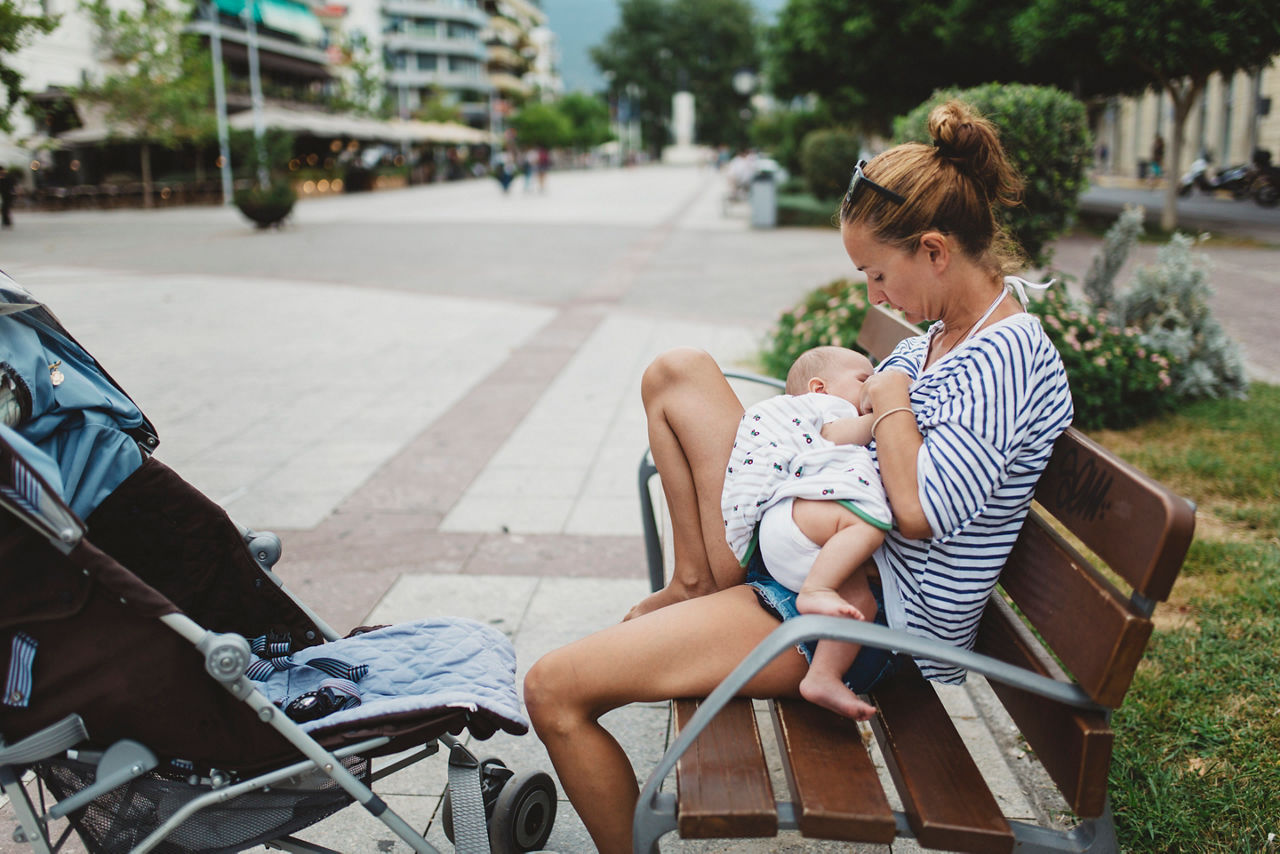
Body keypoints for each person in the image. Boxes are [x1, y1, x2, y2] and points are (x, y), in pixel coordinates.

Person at [523, 100, 1074, 854]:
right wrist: (845, 416)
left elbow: (914, 513)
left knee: (553, 691)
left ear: (936, 252)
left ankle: (713, 601)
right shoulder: (945, 335)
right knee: (679, 372)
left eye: (879, 274)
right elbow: (872, 431)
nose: (876, 298)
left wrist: (885, 401)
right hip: (812, 538)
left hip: (857, 615)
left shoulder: (1005, 358)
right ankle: (697, 583)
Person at [723, 345, 894, 719]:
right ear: (820, 389)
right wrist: (889, 409)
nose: (871, 387)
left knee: (860, 606)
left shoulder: (822, 404)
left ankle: (823, 676)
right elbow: (837, 435)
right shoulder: (825, 408)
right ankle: (817, 590)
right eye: (864, 380)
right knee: (863, 525)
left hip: (804, 549)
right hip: (796, 523)